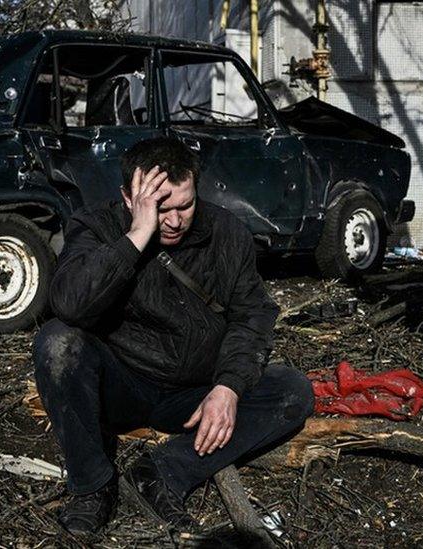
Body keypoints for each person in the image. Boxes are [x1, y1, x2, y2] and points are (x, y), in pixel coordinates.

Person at [32, 137, 314, 536]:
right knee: (58, 342)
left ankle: (160, 473)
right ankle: (92, 487)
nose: (176, 220)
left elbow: (252, 315)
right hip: (121, 387)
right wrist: (137, 236)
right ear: (129, 199)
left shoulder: (225, 231)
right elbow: (70, 305)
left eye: (185, 205)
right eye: (160, 208)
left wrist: (228, 387)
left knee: (293, 390)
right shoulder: (96, 226)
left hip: (194, 393)